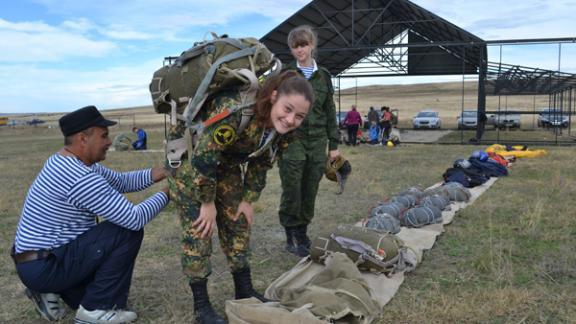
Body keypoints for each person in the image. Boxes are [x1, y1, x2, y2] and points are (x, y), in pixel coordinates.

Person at [167, 70, 314, 324]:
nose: (291, 119)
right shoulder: (235, 110)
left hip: (224, 167)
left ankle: (244, 291)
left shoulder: (284, 130)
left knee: (238, 226)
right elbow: (203, 158)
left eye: (299, 116)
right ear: (274, 96)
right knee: (199, 232)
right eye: (287, 109)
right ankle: (201, 307)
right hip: (191, 164)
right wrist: (207, 202)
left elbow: (262, 162)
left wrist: (248, 199)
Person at [11, 105, 170, 324]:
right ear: (82, 139)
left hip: (39, 259)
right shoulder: (78, 176)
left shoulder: (67, 161)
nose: (109, 142)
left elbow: (122, 182)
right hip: (45, 265)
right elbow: (134, 219)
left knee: (82, 297)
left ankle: (50, 291)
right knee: (124, 231)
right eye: (104, 136)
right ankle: (96, 311)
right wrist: (170, 192)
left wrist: (166, 171)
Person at [278, 25, 341, 257]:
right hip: (291, 140)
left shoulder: (323, 76)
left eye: (303, 45)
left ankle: (302, 233)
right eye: (295, 47)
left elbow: (329, 111)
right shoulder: (285, 75)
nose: (299, 50)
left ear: (312, 45)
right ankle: (290, 232)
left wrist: (333, 145)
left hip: (317, 141)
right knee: (292, 187)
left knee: (310, 187)